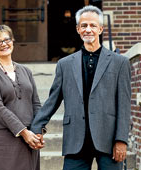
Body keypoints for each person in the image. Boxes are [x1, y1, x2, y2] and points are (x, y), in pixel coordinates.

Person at [31, 5, 131, 170]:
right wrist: (36, 126)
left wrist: (121, 140)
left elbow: (124, 104)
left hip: (109, 139)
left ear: (100, 28)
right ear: (78, 29)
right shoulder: (64, 65)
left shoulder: (120, 62)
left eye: (92, 25)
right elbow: (53, 100)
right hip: (75, 139)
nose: (88, 29)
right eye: (84, 26)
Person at [0, 24, 44, 170]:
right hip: (1, 139)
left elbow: (36, 104)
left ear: (13, 41)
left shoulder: (26, 71)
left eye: (7, 40)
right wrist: (23, 132)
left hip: (28, 140)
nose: (4, 44)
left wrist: (38, 130)